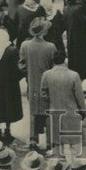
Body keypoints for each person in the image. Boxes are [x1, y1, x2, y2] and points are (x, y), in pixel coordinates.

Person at [39, 52, 86, 156]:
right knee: (72, 144)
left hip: (55, 111)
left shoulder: (47, 74)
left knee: (58, 141)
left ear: (53, 61)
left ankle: (59, 164)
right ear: (65, 60)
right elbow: (80, 96)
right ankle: (72, 163)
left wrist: (52, 99)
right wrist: (83, 111)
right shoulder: (74, 75)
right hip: (71, 113)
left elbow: (43, 93)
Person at [19, 17, 57, 150]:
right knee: (48, 113)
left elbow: (21, 65)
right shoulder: (51, 47)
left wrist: (29, 72)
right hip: (48, 85)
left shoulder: (25, 45)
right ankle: (49, 142)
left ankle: (33, 140)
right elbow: (54, 66)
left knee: (33, 112)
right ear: (44, 32)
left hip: (33, 84)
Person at [0, 27, 22, 143]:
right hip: (10, 85)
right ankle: (7, 129)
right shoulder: (12, 50)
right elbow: (18, 70)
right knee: (9, 105)